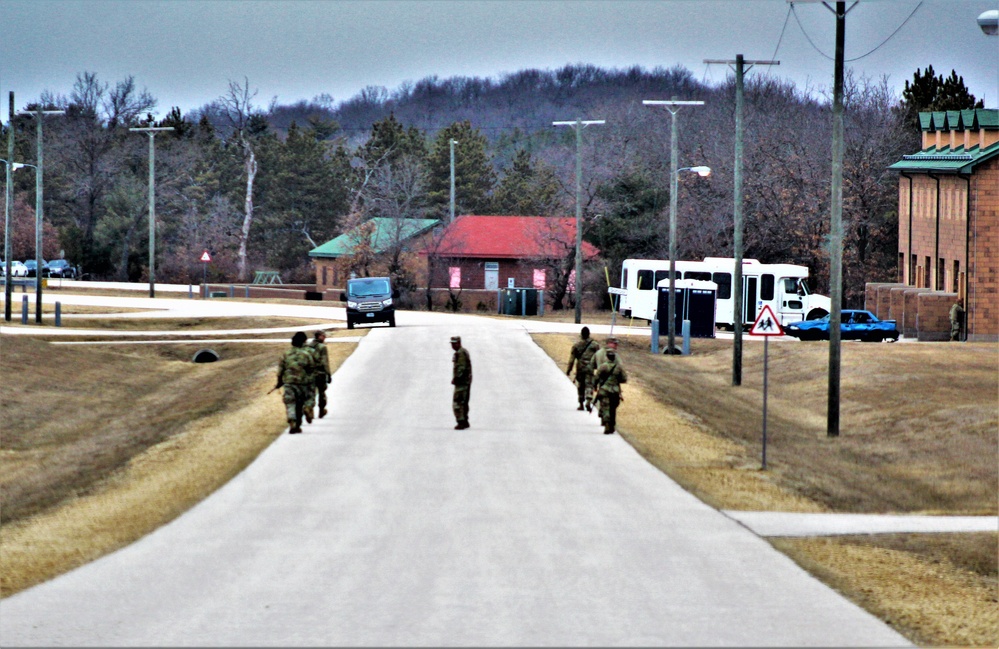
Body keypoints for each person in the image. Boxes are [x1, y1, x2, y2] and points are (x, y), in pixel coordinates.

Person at [276, 331, 318, 434]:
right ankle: (306, 410)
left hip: (289, 383)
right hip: (302, 382)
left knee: (290, 403)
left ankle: (292, 421)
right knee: (301, 402)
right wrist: (310, 380)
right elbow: (311, 369)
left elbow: (280, 371)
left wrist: (279, 382)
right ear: (303, 342)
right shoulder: (306, 354)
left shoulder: (285, 355)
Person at [592, 347, 627, 435]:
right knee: (613, 408)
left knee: (606, 407)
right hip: (615, 391)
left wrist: (595, 386)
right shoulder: (618, 368)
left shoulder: (603, 366)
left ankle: (607, 424)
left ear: (607, 357)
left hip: (605, 390)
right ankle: (612, 425)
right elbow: (624, 379)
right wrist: (616, 379)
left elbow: (596, 378)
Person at [566, 326, 600, 412]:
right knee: (589, 384)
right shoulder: (595, 345)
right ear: (589, 334)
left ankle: (581, 404)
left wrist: (568, 370)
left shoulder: (577, 346)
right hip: (590, 367)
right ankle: (589, 399)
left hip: (580, 368)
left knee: (581, 385)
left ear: (581, 334)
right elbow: (599, 357)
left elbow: (571, 360)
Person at [308, 330, 332, 418]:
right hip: (320, 373)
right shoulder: (322, 347)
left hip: (309, 373)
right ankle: (321, 410)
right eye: (323, 336)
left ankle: (309, 408)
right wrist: (328, 374)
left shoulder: (308, 346)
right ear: (318, 336)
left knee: (311, 392)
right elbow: (325, 362)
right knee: (322, 392)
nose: (325, 337)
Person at [451, 335, 472, 430]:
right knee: (463, 401)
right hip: (465, 381)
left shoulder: (461, 353)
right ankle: (465, 421)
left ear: (459, 343)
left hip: (462, 381)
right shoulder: (461, 352)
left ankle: (461, 422)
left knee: (458, 402)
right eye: (452, 344)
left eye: (454, 343)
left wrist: (456, 378)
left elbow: (462, 368)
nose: (453, 346)